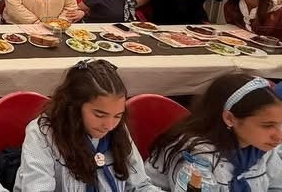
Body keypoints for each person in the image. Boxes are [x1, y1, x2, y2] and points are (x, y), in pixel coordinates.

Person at [14, 59, 161, 192]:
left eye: (118, 115)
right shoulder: (43, 134)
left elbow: (140, 186)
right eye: (99, 115)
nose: (109, 126)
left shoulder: (118, 130)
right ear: (75, 106)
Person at [146, 73, 282, 191]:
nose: (278, 136)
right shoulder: (197, 156)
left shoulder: (262, 147)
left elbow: (277, 186)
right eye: (267, 125)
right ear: (229, 118)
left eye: (280, 124)